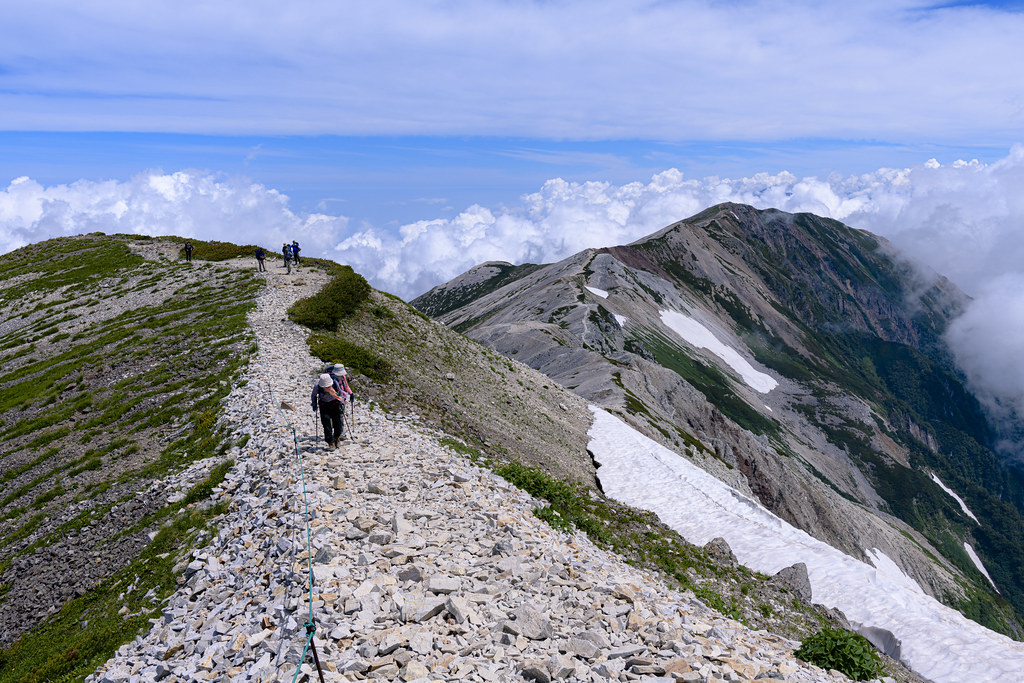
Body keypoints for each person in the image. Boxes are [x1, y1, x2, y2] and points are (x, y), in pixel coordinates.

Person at [311, 373, 343, 449]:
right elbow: (314, 395)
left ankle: (337, 437)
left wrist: (341, 403)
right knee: (326, 425)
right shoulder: (317, 386)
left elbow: (340, 393)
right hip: (324, 406)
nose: (328, 387)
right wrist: (314, 404)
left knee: (338, 423)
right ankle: (330, 442)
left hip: (334, 404)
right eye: (326, 387)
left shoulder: (335, 383)